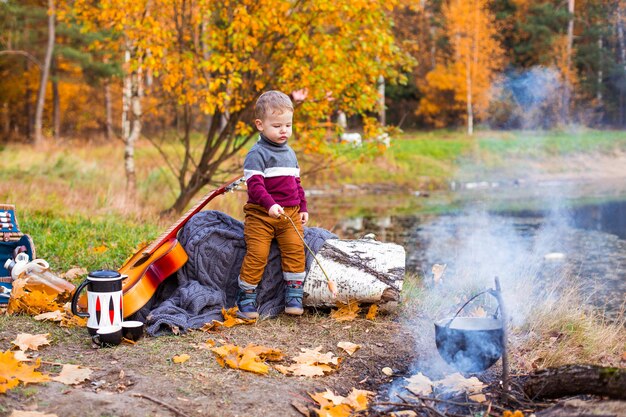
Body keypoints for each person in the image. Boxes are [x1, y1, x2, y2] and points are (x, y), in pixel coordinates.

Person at [237, 90, 309, 319]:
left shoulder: (290, 153)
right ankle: (247, 296)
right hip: (261, 215)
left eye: (288, 125)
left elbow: (296, 183)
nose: (284, 130)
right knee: (257, 253)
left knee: (296, 250)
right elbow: (255, 187)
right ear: (260, 124)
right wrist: (269, 205)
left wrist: (303, 207)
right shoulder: (256, 154)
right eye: (277, 125)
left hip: (290, 215)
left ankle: (294, 294)